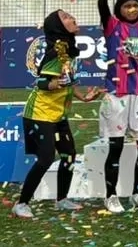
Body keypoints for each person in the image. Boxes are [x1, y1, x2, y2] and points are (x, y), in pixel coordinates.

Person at [14, 11, 103, 218]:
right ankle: (21, 203)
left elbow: (67, 83)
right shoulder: (56, 50)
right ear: (58, 27)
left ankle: (62, 199)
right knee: (45, 159)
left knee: (69, 155)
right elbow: (41, 81)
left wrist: (84, 97)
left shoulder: (68, 50)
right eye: (66, 17)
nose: (72, 18)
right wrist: (51, 83)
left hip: (58, 115)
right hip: (39, 114)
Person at [98, 0, 138, 213]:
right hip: (117, 94)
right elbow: (101, 2)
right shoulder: (112, 25)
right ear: (119, 9)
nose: (132, 10)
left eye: (135, 5)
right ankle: (110, 195)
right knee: (117, 147)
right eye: (126, 6)